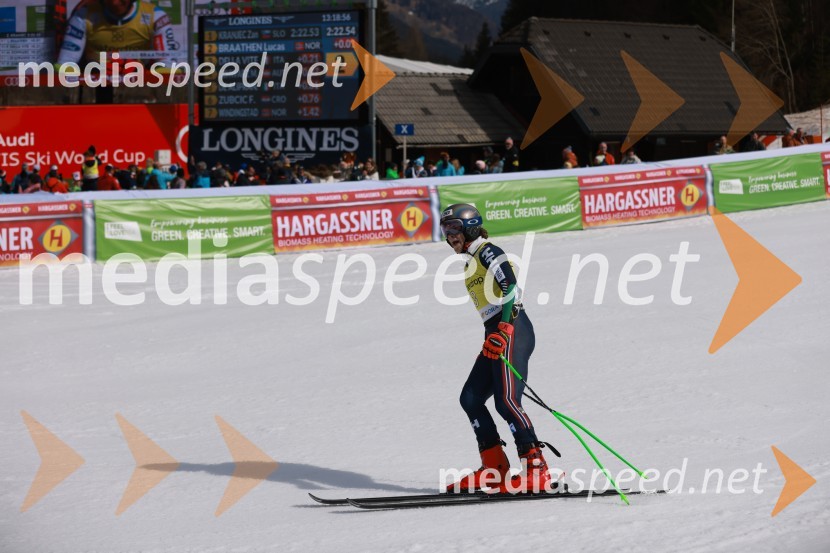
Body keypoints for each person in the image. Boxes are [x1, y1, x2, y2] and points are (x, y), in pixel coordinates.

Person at [440, 203, 556, 494]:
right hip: (496, 332)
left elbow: (511, 288)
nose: (449, 236)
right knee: (470, 398)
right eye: (446, 230)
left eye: (454, 229)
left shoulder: (487, 250)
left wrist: (504, 329)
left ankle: (536, 468)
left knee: (506, 401)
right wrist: (496, 331)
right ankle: (494, 468)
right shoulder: (471, 258)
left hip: (513, 328)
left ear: (470, 227)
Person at [57, 0, 178, 67]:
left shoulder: (156, 16)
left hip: (142, 85)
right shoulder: (83, 16)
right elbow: (66, 63)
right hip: (94, 82)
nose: (114, 2)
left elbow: (167, 64)